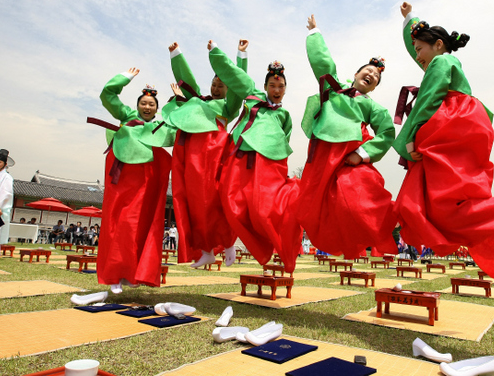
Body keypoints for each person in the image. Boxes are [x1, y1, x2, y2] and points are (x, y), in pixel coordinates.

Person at [393, 2, 494, 283]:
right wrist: (410, 18)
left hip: (449, 123)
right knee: (441, 203)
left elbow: (427, 100)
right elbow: (422, 49)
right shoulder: (445, 59)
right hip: (466, 122)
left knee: (432, 205)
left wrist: (409, 141)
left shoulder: (441, 62)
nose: (417, 55)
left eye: (420, 49)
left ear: (438, 45)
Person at [296, 15, 397, 260]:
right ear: (356, 73)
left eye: (376, 77)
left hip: (349, 155)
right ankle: (332, 239)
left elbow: (387, 132)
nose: (371, 74)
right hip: (323, 153)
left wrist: (362, 154)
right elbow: (323, 64)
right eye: (368, 70)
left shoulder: (373, 107)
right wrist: (314, 33)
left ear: (373, 87)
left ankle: (395, 218)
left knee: (357, 194)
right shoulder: (334, 89)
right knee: (315, 203)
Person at [208, 40, 303, 273]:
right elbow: (235, 75)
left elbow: (284, 142)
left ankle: (274, 245)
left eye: (281, 87)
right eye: (272, 85)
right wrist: (233, 53)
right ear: (265, 86)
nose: (277, 91)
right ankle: (227, 244)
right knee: (230, 203)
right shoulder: (252, 96)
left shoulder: (285, 115)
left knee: (263, 210)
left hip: (269, 165)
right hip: (240, 156)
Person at [160, 40, 248, 268]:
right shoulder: (197, 101)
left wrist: (241, 55)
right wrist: (177, 55)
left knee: (220, 201)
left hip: (217, 158)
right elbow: (187, 83)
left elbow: (239, 82)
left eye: (221, 85)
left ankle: (229, 244)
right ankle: (206, 251)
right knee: (196, 204)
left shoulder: (228, 107)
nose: (217, 88)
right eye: (214, 84)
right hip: (193, 160)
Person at [92, 66, 173, 294]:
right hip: (122, 179)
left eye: (152, 105)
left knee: (137, 226)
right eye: (144, 103)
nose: (147, 107)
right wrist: (125, 77)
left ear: (157, 109)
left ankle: (132, 271)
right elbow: (107, 94)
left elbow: (181, 132)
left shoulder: (158, 128)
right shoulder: (126, 116)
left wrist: (178, 103)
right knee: (116, 223)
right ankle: (114, 274)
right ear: (137, 105)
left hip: (144, 183)